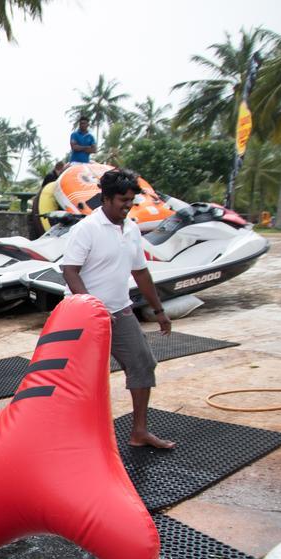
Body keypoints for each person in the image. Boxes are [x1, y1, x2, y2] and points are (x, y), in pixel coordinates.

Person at [61, 168, 175, 450]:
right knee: (78, 377)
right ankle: (73, 436)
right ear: (107, 198)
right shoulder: (86, 229)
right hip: (83, 314)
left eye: (131, 200)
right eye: (123, 200)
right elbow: (69, 271)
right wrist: (93, 308)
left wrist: (159, 311)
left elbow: (141, 273)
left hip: (120, 311)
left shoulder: (132, 229)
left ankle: (139, 432)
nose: (128, 205)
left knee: (142, 363)